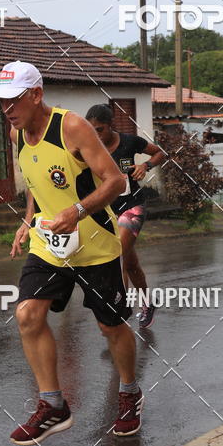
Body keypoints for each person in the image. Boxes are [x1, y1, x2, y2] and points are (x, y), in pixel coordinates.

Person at [0, 61, 143, 446]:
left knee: (110, 327)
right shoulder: (16, 133)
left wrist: (77, 211)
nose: (6, 109)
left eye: (13, 100)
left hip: (93, 242)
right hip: (49, 243)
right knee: (27, 315)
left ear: (36, 94)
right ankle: (53, 405)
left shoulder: (71, 126)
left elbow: (115, 180)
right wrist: (28, 219)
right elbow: (35, 182)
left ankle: (129, 392)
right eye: (1, 102)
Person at [85, 104, 164, 328]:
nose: (96, 135)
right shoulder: (88, 148)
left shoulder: (129, 142)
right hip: (107, 211)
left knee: (116, 254)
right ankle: (147, 303)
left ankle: (119, 312)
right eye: (91, 131)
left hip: (132, 206)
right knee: (130, 263)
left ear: (111, 125)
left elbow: (159, 153)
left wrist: (145, 165)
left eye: (100, 130)